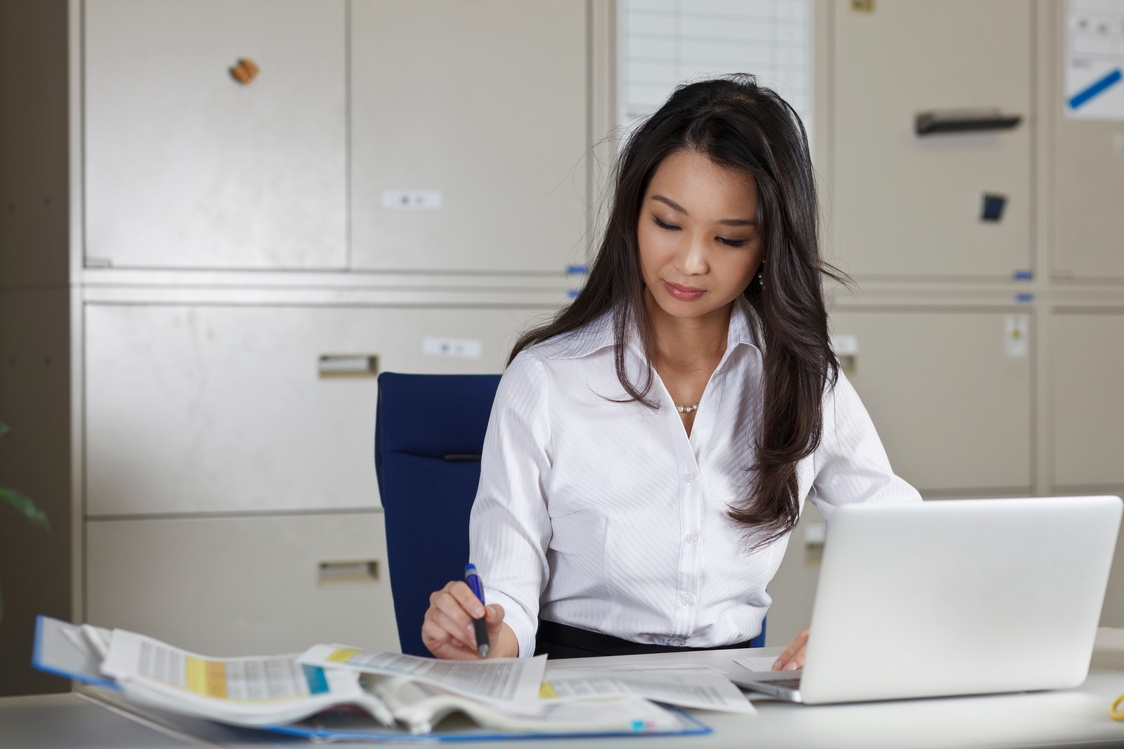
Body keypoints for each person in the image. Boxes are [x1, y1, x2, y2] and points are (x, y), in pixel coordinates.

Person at [422, 74, 921, 668]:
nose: (690, 262)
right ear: (633, 215)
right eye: (667, 223)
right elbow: (507, 597)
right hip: (584, 692)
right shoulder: (545, 381)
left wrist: (858, 629)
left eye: (730, 238)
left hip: (737, 697)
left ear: (769, 249)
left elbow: (905, 541)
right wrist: (481, 640)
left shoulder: (804, 381)